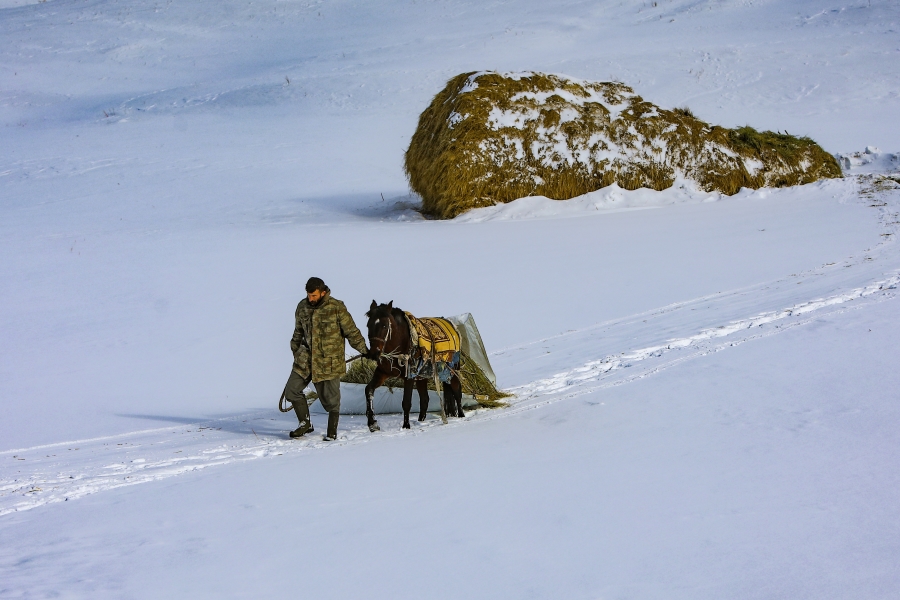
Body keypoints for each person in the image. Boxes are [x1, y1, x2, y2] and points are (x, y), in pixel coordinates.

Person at [284, 277, 369, 441]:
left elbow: (351, 332)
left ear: (323, 292)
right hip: (305, 360)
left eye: (314, 296)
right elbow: (298, 333)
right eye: (309, 295)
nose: (311, 299)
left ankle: (332, 432)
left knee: (331, 401)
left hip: (328, 363)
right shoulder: (302, 307)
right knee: (291, 391)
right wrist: (296, 351)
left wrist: (364, 350)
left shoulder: (337, 307)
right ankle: (305, 423)